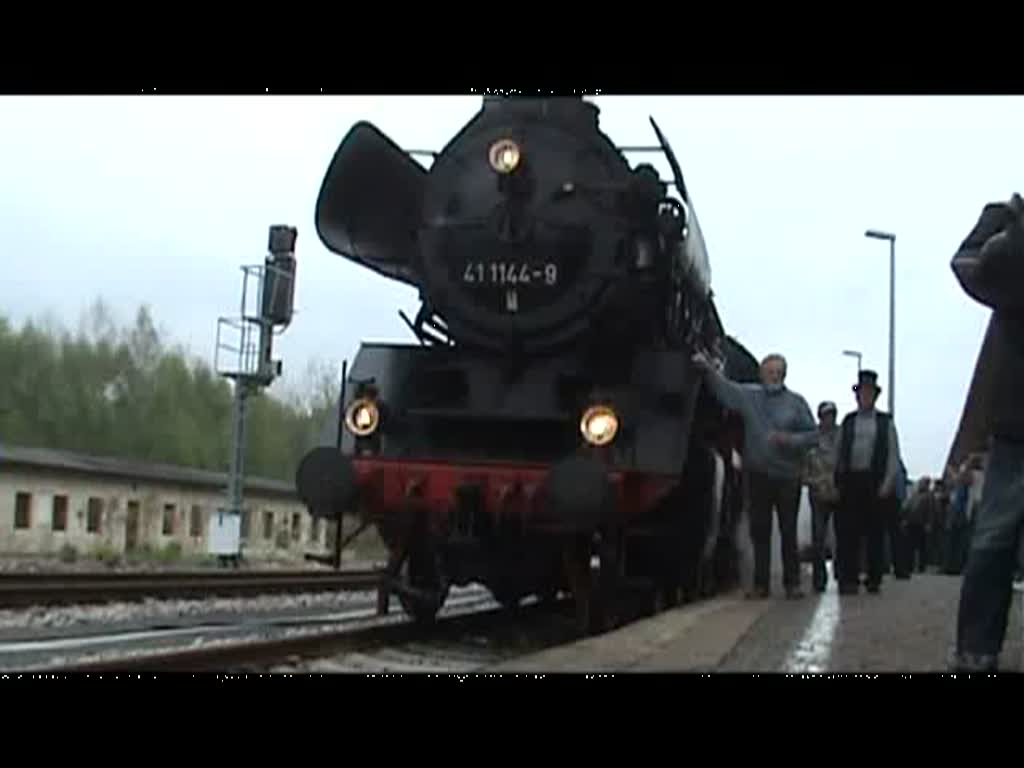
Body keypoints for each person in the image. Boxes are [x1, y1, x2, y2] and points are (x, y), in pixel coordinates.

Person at [950, 193, 1024, 672]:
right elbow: (971, 269)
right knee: (994, 542)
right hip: (1017, 415)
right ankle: (976, 650)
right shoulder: (1007, 218)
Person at [691, 350, 819, 599]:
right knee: (760, 530)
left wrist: (789, 440)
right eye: (768, 372)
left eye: (776, 372)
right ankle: (761, 585)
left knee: (788, 530)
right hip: (758, 473)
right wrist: (706, 369)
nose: (772, 376)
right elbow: (725, 390)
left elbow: (813, 436)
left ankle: (792, 583)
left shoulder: (797, 403)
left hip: (787, 476)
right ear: (761, 374)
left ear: (784, 374)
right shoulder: (749, 396)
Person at [832, 369, 904, 595]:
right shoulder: (848, 421)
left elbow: (893, 455)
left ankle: (874, 578)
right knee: (848, 533)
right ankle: (848, 579)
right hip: (850, 480)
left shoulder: (885, 423)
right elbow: (837, 451)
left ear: (875, 396)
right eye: (862, 392)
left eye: (869, 393)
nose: (865, 397)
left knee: (875, 532)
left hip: (875, 480)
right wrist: (835, 479)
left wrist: (887, 482)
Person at [802, 400, 841, 592]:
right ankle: (819, 579)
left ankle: (842, 574)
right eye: (826, 415)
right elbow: (803, 468)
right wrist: (813, 481)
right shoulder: (811, 438)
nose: (830, 419)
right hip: (818, 494)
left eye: (832, 414)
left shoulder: (842, 437)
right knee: (818, 538)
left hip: (839, 493)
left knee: (842, 536)